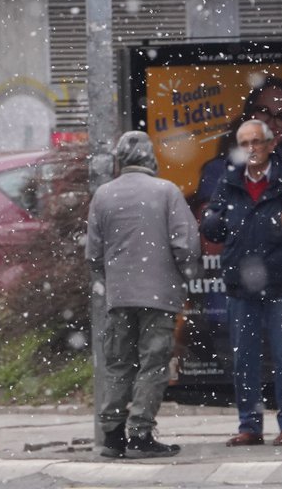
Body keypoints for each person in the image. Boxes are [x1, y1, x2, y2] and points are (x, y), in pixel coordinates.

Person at [86, 131, 201, 459]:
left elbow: (93, 253)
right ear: (151, 158)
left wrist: (111, 279)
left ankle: (112, 436)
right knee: (153, 363)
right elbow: (186, 245)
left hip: (119, 296)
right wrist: (181, 274)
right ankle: (140, 434)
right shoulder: (167, 192)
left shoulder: (103, 196)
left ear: (120, 159)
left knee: (118, 362)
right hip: (159, 294)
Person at [200, 119, 282, 447]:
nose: (250, 149)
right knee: (244, 357)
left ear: (270, 143)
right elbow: (213, 225)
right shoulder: (228, 178)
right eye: (244, 143)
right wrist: (215, 219)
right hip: (240, 282)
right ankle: (249, 425)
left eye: (256, 142)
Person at [193, 75, 282, 208]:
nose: (271, 123)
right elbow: (209, 222)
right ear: (249, 114)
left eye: (281, 117)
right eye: (264, 111)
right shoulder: (217, 170)